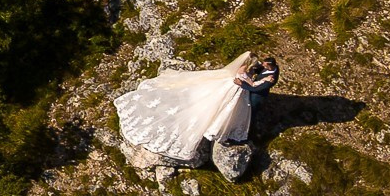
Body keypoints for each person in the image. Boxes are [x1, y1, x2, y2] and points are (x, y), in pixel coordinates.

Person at [113, 49, 273, 163]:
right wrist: (260, 82)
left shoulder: (242, 68)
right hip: (234, 89)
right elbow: (248, 82)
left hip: (231, 88)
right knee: (218, 108)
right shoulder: (244, 71)